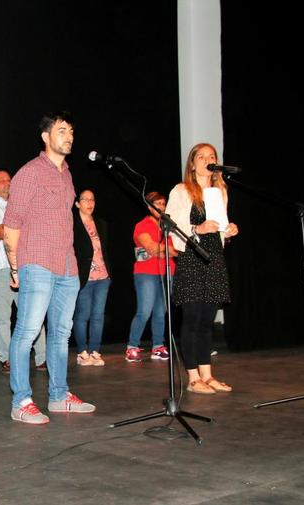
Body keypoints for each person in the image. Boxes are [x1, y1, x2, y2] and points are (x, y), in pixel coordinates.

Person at [3, 111, 96, 424]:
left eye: (71, 131)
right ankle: (21, 402)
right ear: (45, 136)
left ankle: (59, 395)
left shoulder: (67, 174)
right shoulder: (29, 173)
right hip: (37, 262)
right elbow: (12, 223)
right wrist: (15, 266)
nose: (68, 136)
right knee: (27, 332)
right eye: (61, 130)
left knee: (60, 333)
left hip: (67, 265)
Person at [165, 143, 239, 394]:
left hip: (214, 258)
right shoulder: (181, 190)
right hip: (192, 258)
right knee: (192, 320)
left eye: (212, 156)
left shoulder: (220, 191)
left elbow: (221, 227)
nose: (208, 160)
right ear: (193, 163)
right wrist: (198, 229)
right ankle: (193, 377)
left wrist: (228, 231)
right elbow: (171, 226)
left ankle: (207, 375)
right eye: (202, 156)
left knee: (207, 322)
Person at [0, 170, 47, 374]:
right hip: (0, 268)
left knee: (33, 314)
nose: (6, 183)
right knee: (2, 317)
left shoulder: (21, 206)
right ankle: (7, 358)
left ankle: (42, 358)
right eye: (1, 180)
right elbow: (3, 233)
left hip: (25, 266)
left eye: (9, 179)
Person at [124, 191, 177, 363]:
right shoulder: (142, 225)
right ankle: (132, 346)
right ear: (149, 206)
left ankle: (158, 346)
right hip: (146, 273)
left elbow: (177, 251)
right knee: (144, 311)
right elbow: (151, 248)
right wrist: (165, 250)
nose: (161, 207)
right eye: (157, 204)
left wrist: (162, 250)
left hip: (167, 272)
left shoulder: (169, 226)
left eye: (163, 203)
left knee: (161, 312)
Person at [72, 189, 112, 366]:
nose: (89, 203)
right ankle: (82, 352)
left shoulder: (101, 224)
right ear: (77, 203)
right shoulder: (72, 224)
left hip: (103, 276)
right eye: (85, 199)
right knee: (83, 315)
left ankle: (95, 351)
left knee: (98, 315)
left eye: (92, 199)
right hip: (83, 277)